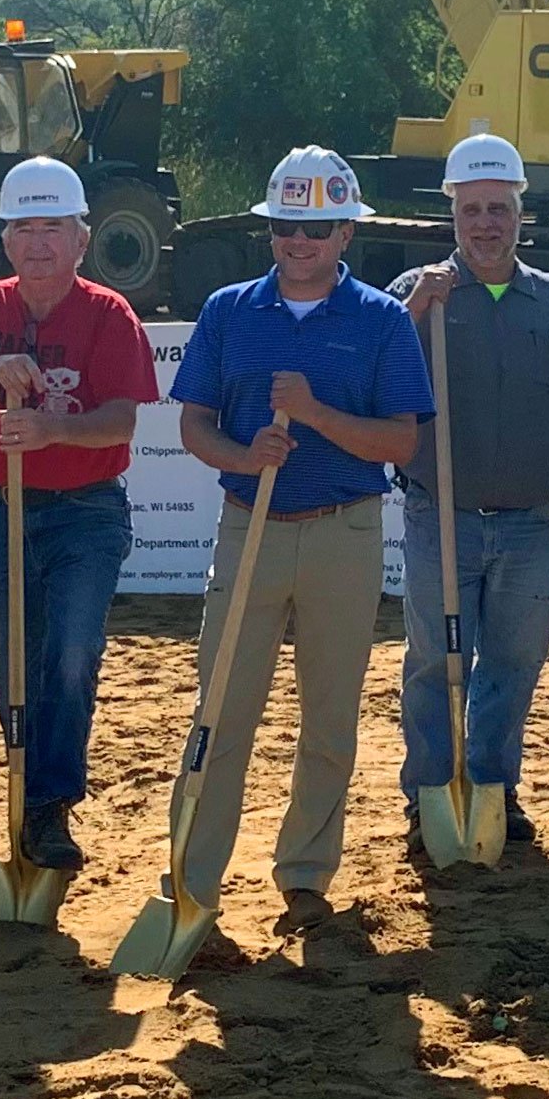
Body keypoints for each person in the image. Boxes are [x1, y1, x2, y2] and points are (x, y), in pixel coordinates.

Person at [170, 146, 430, 916]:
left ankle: (307, 870)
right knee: (220, 708)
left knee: (329, 716)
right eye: (287, 224)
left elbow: (401, 443)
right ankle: (192, 874)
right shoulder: (227, 311)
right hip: (248, 523)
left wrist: (316, 414)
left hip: (343, 533)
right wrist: (245, 454)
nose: (300, 240)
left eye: (318, 226)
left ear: (347, 231)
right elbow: (193, 426)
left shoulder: (382, 320)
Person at [0, 155, 158, 872]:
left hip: (86, 514)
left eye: (53, 228)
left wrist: (55, 430)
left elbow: (124, 420)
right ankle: (29, 797)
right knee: (17, 666)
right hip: (1, 513)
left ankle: (49, 804)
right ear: (6, 241)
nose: (38, 243)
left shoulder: (108, 314)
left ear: (80, 239)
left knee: (71, 653)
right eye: (24, 228)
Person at [389, 132, 549, 845]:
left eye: (499, 210)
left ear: (521, 214)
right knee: (434, 661)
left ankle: (491, 784)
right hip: (438, 514)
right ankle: (429, 793)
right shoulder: (415, 295)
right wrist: (420, 306)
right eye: (472, 209)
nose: (485, 223)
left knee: (514, 660)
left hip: (528, 523)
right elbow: (373, 365)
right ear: (451, 214)